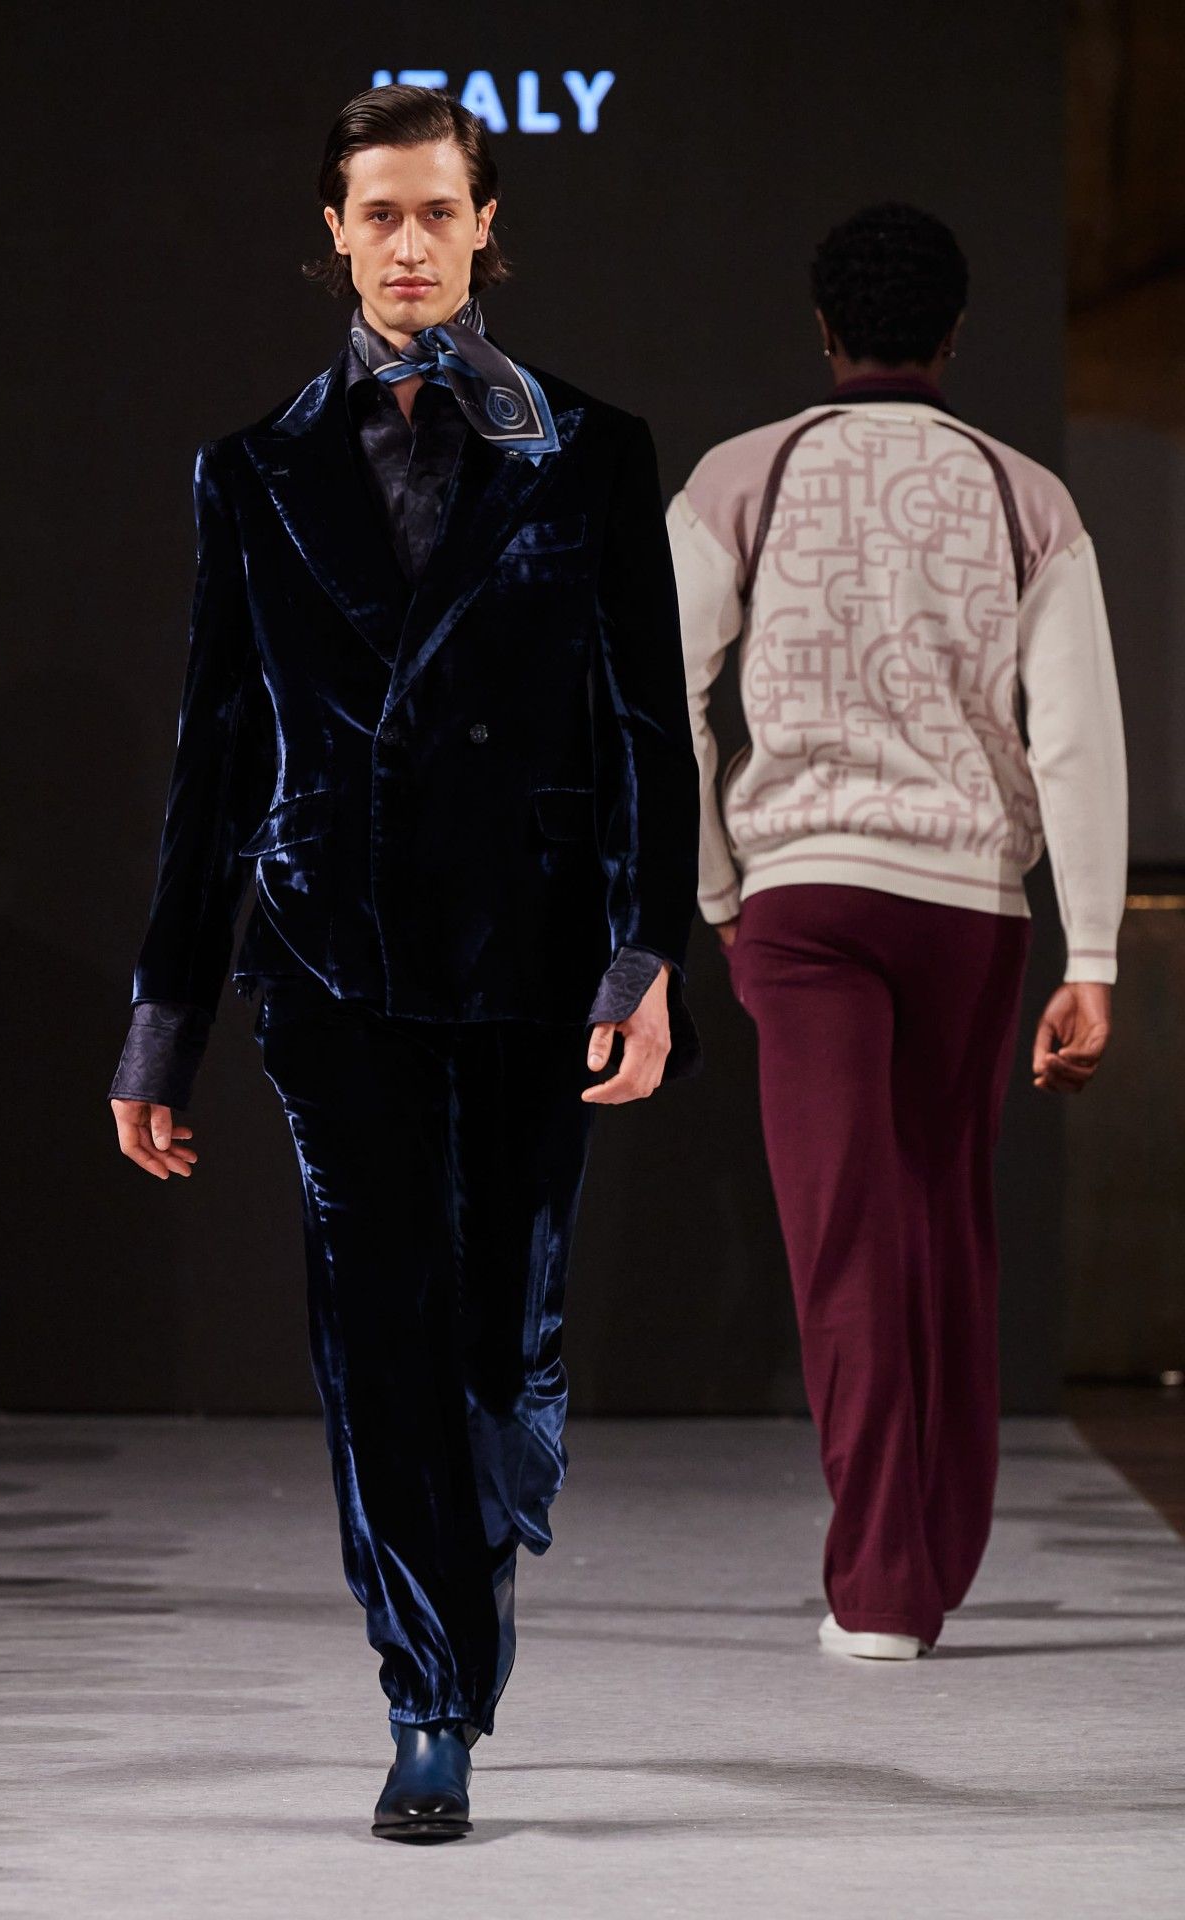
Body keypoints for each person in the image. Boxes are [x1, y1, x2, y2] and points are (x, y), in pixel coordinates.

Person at [109, 85, 699, 1839]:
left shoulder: (595, 449)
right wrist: (162, 1022)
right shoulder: (252, 470)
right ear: (337, 232)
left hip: (534, 947)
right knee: (380, 1326)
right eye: (381, 214)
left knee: (502, 1329)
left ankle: (480, 1526)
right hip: (331, 952)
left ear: (487, 222)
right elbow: (216, 754)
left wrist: (644, 952)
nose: (412, 245)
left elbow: (649, 727)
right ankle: (426, 1696)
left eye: (441, 211)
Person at [668, 203, 1127, 1661]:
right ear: (955, 334)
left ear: (823, 330)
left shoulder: (744, 474)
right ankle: (933, 1555)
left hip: (803, 900)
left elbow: (655, 699)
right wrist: (1094, 952)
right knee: (941, 1220)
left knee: (845, 1234)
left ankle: (882, 1588)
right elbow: (1077, 740)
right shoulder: (1023, 494)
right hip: (970, 911)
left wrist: (717, 888)